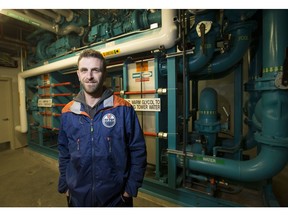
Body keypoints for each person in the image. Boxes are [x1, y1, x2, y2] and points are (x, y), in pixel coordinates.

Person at [57, 49, 147, 207]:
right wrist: (65, 184)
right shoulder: (67, 112)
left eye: (95, 70)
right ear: (78, 74)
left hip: (116, 199)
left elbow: (138, 151)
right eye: (84, 70)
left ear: (104, 73)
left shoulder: (123, 109)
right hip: (77, 198)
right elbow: (64, 152)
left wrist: (129, 189)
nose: (89, 76)